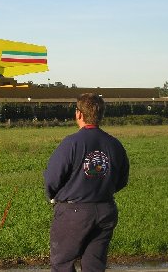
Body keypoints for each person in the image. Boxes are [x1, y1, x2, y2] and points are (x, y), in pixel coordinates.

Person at [43, 93, 129, 272]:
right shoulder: (115, 144)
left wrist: (53, 196)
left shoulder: (71, 143)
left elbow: (52, 178)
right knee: (94, 265)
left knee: (62, 264)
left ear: (79, 114)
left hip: (73, 213)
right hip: (106, 210)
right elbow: (122, 180)